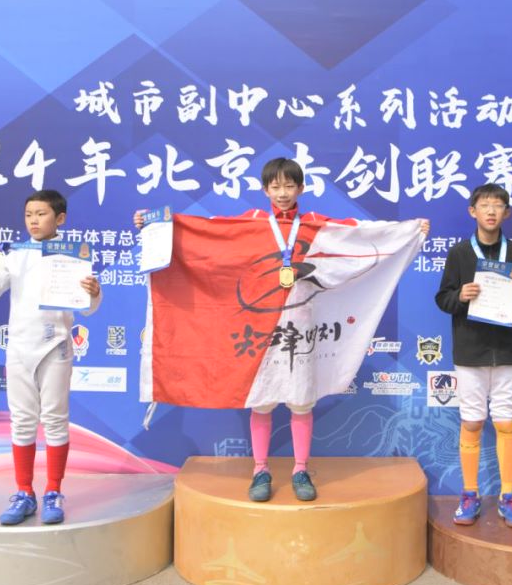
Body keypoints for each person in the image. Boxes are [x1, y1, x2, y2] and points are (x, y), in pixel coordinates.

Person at [137, 157, 429, 503]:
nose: (282, 193)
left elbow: (361, 235)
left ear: (301, 188)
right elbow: (207, 233)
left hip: (302, 327)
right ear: (265, 190)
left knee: (301, 401)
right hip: (259, 328)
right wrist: (159, 227)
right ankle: (260, 470)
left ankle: (300, 469)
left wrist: (409, 230)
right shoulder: (251, 223)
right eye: (275, 187)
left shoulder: (317, 225)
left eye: (289, 185)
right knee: (261, 401)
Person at [0, 189, 101, 526]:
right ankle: (24, 492)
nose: (33, 220)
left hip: (56, 346)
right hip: (19, 347)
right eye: (29, 214)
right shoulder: (14, 254)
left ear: (60, 218)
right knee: (22, 421)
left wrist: (94, 294)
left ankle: (53, 491)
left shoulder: (73, 256)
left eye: (41, 214)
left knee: (56, 419)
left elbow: (87, 309)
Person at [434, 183, 512, 528]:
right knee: (472, 422)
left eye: (498, 205)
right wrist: (460, 296)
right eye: (485, 205)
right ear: (472, 211)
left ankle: (508, 496)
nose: (491, 211)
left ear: (507, 213)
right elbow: (443, 299)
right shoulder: (460, 253)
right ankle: (470, 494)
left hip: (507, 351)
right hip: (470, 350)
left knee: (506, 423)